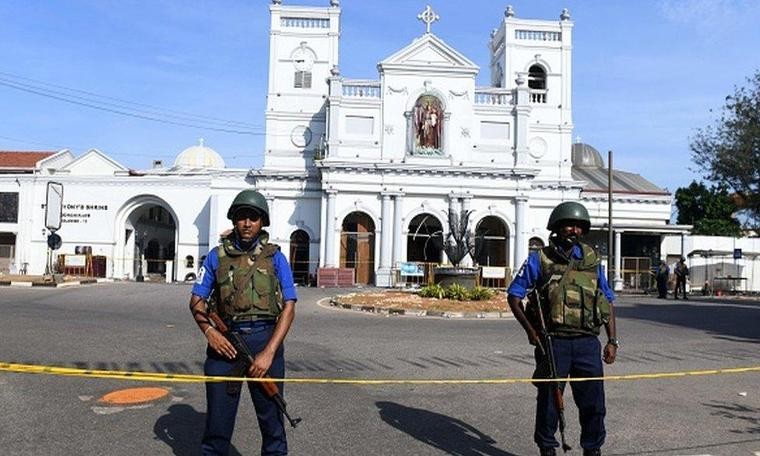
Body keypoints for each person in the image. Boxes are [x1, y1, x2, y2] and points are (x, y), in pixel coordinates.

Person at [189, 189, 297, 455]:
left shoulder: (276, 257)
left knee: (272, 423)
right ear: (234, 220)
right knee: (218, 424)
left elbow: (290, 306)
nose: (247, 223)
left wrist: (269, 353)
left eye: (253, 217)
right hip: (225, 345)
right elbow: (196, 302)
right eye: (241, 217)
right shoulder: (216, 256)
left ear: (262, 222)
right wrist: (209, 332)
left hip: (264, 341)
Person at [507, 201, 618, 456]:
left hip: (588, 343)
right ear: (557, 228)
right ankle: (547, 448)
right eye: (569, 225)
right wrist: (531, 333)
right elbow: (514, 296)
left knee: (594, 404)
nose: (574, 230)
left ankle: (593, 449)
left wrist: (613, 341)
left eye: (579, 226)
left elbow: (608, 300)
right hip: (554, 343)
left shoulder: (591, 260)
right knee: (549, 404)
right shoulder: (540, 259)